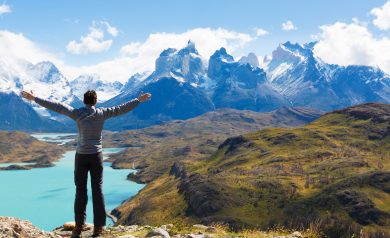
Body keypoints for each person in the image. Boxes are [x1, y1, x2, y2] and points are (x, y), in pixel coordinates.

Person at [20, 89, 151, 238]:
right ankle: (98, 229)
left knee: (80, 191)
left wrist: (35, 98)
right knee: (97, 190)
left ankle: (78, 227)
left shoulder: (77, 113)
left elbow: (57, 106)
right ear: (95, 101)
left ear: (84, 101)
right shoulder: (102, 113)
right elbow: (121, 109)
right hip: (97, 156)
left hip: (81, 157)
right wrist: (138, 100)